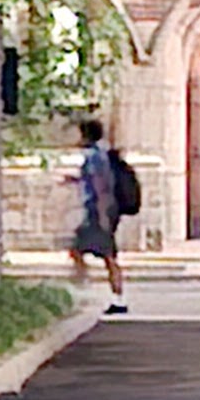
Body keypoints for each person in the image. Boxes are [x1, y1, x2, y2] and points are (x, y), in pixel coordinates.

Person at [67, 111, 129, 309]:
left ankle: (84, 290)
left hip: (97, 211)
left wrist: (103, 215)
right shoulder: (102, 154)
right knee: (106, 255)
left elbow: (101, 186)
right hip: (104, 210)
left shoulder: (93, 156)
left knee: (90, 252)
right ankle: (115, 297)